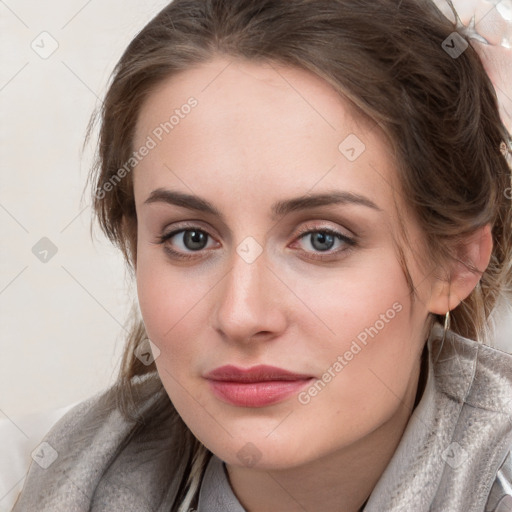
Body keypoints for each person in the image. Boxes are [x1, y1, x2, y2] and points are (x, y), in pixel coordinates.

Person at [11, 0, 512, 510]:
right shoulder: (53, 477)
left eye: (322, 239)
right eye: (191, 238)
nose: (241, 315)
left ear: (456, 261)